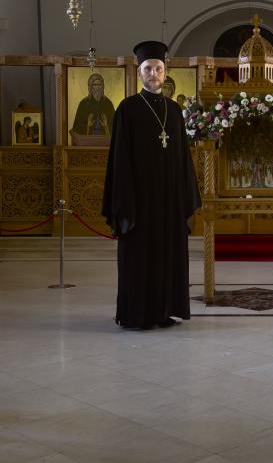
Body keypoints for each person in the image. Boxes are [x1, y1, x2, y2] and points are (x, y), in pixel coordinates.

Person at [102, 40, 201, 330]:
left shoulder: (174, 110)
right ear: (139, 72)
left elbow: (183, 157)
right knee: (139, 259)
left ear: (165, 71)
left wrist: (185, 195)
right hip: (139, 202)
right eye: (148, 69)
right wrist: (125, 201)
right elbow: (120, 158)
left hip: (168, 201)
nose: (153, 73)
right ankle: (136, 314)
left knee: (167, 257)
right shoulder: (128, 109)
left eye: (158, 68)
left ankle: (164, 311)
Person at [71, 73, 115, 143]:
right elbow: (77, 128)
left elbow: (115, 126)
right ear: (91, 87)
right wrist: (88, 125)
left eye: (99, 85)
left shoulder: (108, 103)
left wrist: (106, 125)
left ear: (103, 86)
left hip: (105, 142)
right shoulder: (84, 104)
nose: (97, 88)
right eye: (95, 85)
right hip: (87, 141)